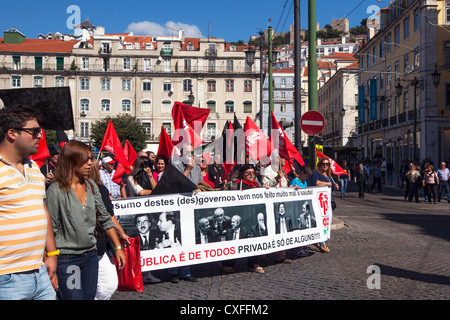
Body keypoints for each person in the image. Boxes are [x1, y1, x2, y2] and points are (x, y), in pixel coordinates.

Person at [45, 140, 126, 300]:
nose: (90, 163)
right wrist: (51, 259)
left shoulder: (91, 186)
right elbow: (50, 229)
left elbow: (105, 218)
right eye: (85, 159)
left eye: (90, 158)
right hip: (68, 260)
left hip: (91, 257)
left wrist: (117, 247)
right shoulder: (56, 191)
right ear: (72, 161)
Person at [0, 105, 57, 300]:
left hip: (40, 273)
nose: (40, 136)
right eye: (34, 131)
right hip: (6, 279)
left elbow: (42, 210)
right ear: (12, 133)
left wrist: (52, 253)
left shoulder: (34, 167)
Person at [89, 159, 130, 299]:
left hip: (100, 245)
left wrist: (120, 238)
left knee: (109, 285)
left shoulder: (100, 190)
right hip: (80, 249)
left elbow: (108, 217)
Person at [221, 164, 265, 274]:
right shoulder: (235, 184)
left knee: (252, 240)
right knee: (234, 240)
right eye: (248, 173)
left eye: (253, 173)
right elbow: (222, 194)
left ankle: (253, 265)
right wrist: (234, 193)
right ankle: (228, 264)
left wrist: (266, 190)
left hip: (252, 217)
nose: (251, 175)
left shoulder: (256, 184)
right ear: (242, 174)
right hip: (239, 215)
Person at [156, 211, 197, 283]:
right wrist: (161, 245)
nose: (158, 223)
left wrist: (181, 246)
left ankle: (186, 273)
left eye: (161, 221)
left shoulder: (182, 230)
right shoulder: (157, 233)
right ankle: (173, 274)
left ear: (169, 221)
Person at [311, 157, 339, 253]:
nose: (325, 165)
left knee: (328, 221)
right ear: (320, 164)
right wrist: (327, 183)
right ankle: (322, 242)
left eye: (327, 164)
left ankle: (320, 240)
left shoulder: (328, 175)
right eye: (323, 163)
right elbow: (315, 183)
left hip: (328, 201)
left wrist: (334, 187)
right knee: (322, 221)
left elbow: (329, 187)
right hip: (320, 202)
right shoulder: (317, 173)